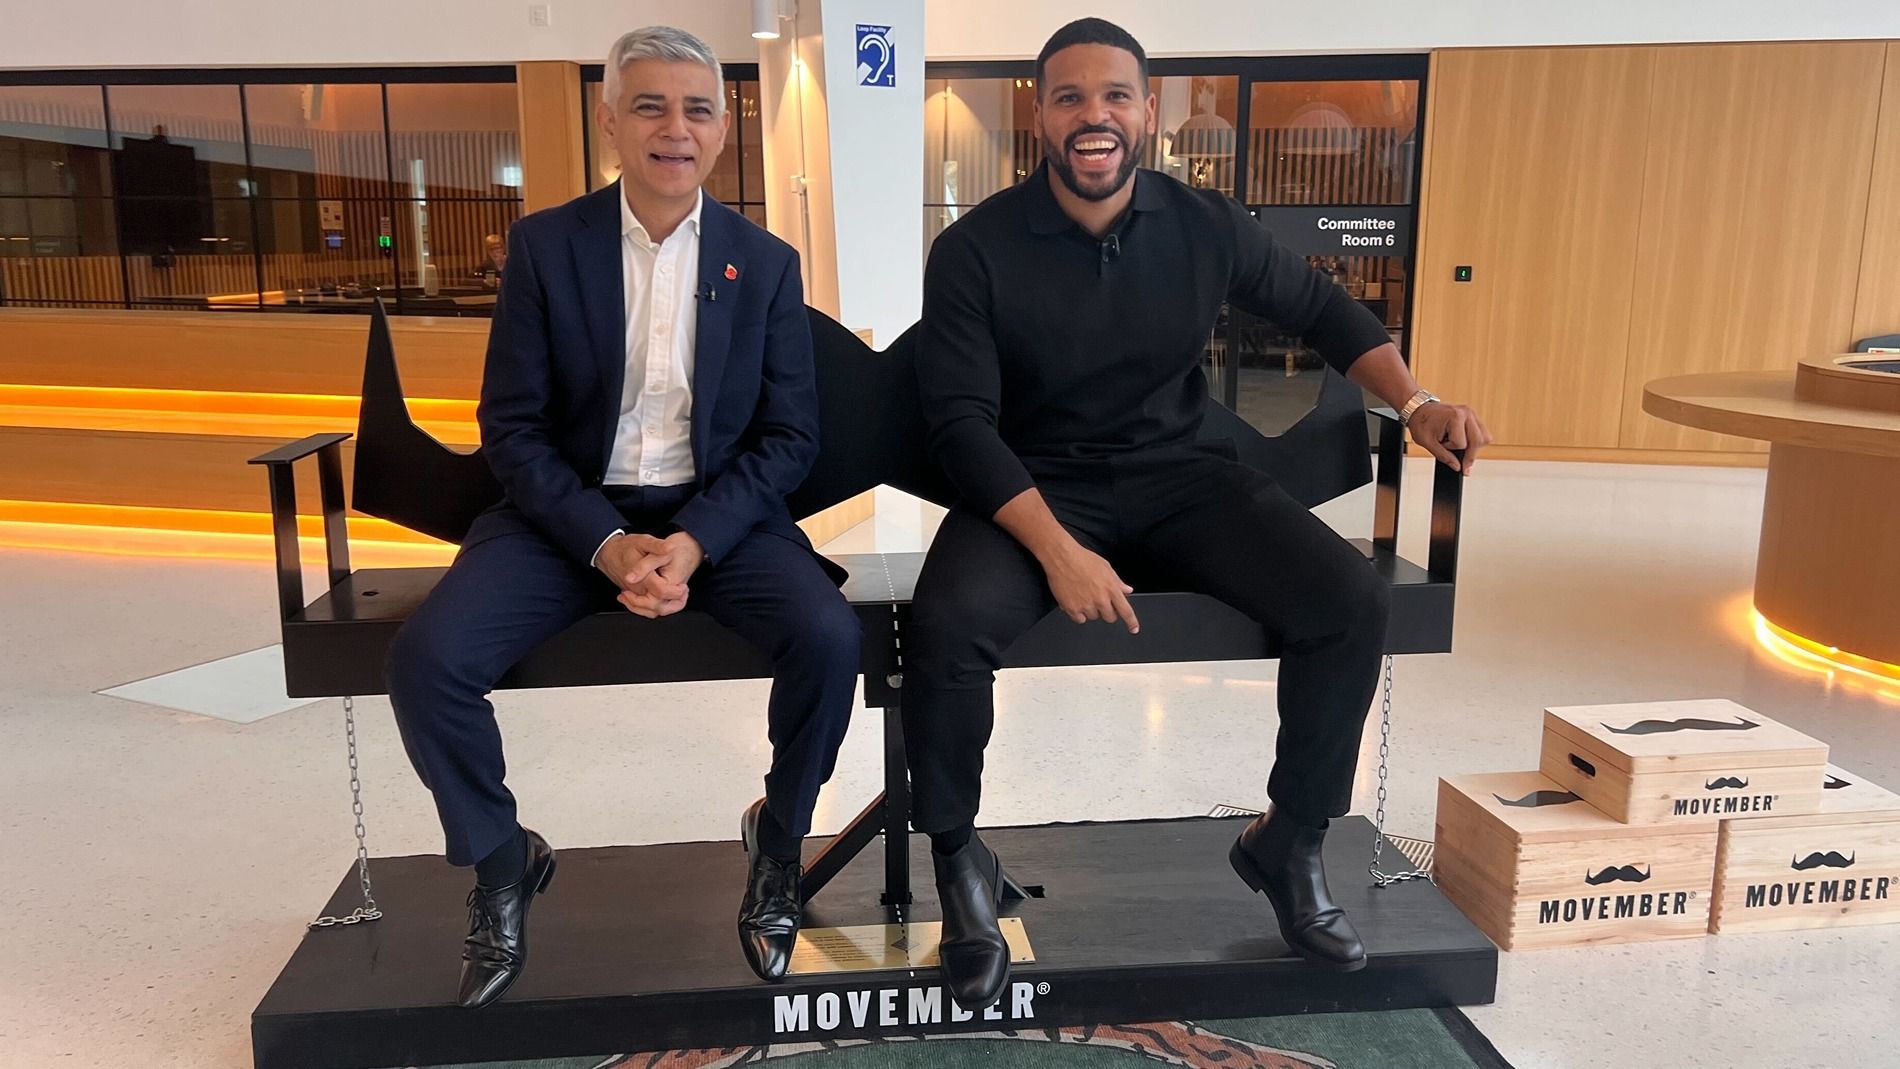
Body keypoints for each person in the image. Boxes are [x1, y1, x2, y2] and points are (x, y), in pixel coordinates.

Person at [907, 17, 1492, 1011]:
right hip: (1031, 483)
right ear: (1038, 114)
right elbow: (959, 425)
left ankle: (1289, 840)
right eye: (1069, 97)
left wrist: (1417, 398)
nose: (1094, 115)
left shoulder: (1203, 223)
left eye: (1115, 95)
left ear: (1147, 110)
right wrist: (1058, 551)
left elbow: (1323, 312)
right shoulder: (975, 249)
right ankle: (959, 862)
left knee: (1346, 597)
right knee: (947, 626)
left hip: (1179, 474)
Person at [384, 25, 860, 1008]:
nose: (673, 129)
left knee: (827, 636)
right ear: (609, 121)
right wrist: (607, 544)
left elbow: (787, 440)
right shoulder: (545, 248)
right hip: (563, 516)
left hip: (716, 518)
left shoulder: (761, 263)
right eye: (649, 105)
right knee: (427, 657)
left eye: (695, 108)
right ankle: (504, 859)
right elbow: (511, 430)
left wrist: (690, 542)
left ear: (721, 129)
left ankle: (777, 845)